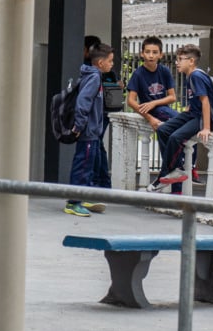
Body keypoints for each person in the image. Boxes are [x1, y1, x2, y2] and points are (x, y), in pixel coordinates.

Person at [147, 44, 212, 192]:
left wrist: (206, 127)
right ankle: (174, 169)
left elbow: (205, 101)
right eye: (177, 59)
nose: (177, 62)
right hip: (192, 114)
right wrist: (188, 108)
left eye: (180, 59)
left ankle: (167, 173)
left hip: (200, 117)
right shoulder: (191, 76)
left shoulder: (196, 75)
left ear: (191, 61)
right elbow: (196, 99)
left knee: (175, 137)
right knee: (163, 130)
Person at [64, 43, 114, 217]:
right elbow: (83, 103)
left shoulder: (94, 76)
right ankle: (73, 202)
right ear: (100, 63)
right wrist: (79, 126)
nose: (112, 64)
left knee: (88, 166)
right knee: (83, 166)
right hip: (87, 132)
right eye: (110, 61)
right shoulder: (94, 78)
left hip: (92, 132)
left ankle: (84, 197)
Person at [126, 36, 177, 131]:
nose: (151, 55)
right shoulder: (138, 74)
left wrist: (154, 103)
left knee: (181, 125)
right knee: (180, 122)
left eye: (155, 52)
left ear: (161, 55)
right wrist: (149, 118)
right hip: (149, 111)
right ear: (142, 54)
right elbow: (131, 101)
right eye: (147, 52)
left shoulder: (164, 71)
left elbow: (172, 97)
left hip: (164, 110)